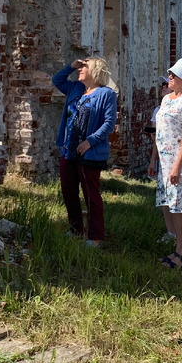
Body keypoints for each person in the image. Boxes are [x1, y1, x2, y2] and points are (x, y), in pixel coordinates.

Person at [52, 58, 118, 246]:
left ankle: (95, 237)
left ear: (95, 71)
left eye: (84, 67)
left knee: (91, 194)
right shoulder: (75, 89)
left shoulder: (106, 94)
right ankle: (76, 230)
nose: (80, 69)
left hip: (89, 152)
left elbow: (109, 124)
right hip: (68, 149)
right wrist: (70, 66)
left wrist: (89, 142)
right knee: (68, 191)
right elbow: (57, 80)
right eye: (79, 67)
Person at [150, 58, 182, 268]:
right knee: (173, 207)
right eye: (170, 74)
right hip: (166, 162)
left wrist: (178, 166)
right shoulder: (167, 99)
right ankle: (177, 249)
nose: (169, 77)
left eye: (174, 75)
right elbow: (160, 131)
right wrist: (155, 159)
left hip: (180, 163)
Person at [148, 78, 177, 245]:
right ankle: (170, 232)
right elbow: (156, 139)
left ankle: (180, 235)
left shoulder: (179, 106)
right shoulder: (158, 110)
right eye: (163, 85)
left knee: (175, 197)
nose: (164, 87)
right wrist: (153, 161)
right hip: (162, 159)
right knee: (164, 198)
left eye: (167, 85)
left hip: (175, 158)